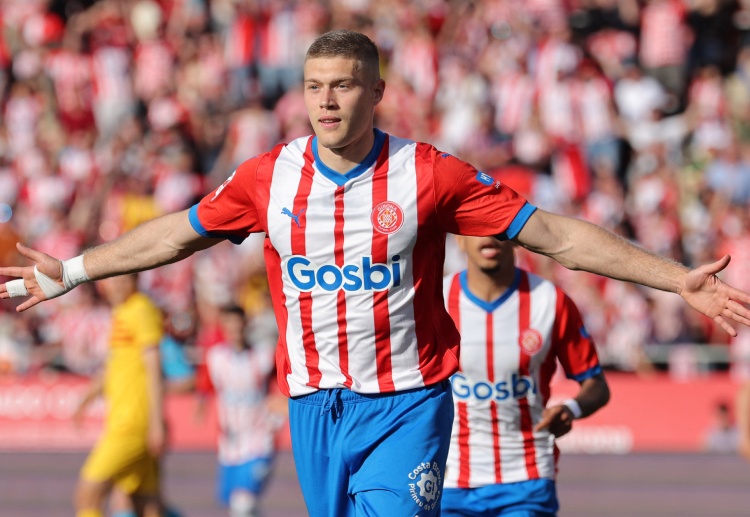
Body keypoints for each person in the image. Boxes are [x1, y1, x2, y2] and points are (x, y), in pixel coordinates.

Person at [1, 29, 750, 517]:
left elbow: (555, 235)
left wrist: (675, 277)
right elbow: (177, 233)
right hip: (312, 405)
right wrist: (74, 269)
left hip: (406, 403)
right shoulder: (269, 177)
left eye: (345, 84)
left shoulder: (429, 174)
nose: (327, 100)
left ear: (378, 92)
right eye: (314, 86)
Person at [441, 236, 609, 516]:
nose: (488, 235)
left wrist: (571, 408)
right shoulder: (436, 299)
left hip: (527, 480)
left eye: (497, 227)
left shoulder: (549, 301)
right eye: (477, 227)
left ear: (516, 237)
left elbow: (597, 384)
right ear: (459, 240)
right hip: (450, 479)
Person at [71, 274, 166, 517]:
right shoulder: (122, 311)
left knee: (87, 494)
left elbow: (154, 367)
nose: (118, 285)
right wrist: (86, 399)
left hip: (132, 422)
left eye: (125, 280)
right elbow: (116, 364)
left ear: (136, 281)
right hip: (126, 420)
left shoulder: (141, 309)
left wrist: (156, 422)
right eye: (114, 280)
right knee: (146, 501)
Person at [196, 304, 282, 517]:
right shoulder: (215, 358)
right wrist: (200, 405)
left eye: (237, 322)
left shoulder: (263, 356)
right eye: (229, 323)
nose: (234, 328)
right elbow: (204, 387)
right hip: (230, 446)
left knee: (242, 504)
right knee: (238, 505)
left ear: (245, 324)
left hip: (260, 441)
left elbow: (285, 380)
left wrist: (281, 401)